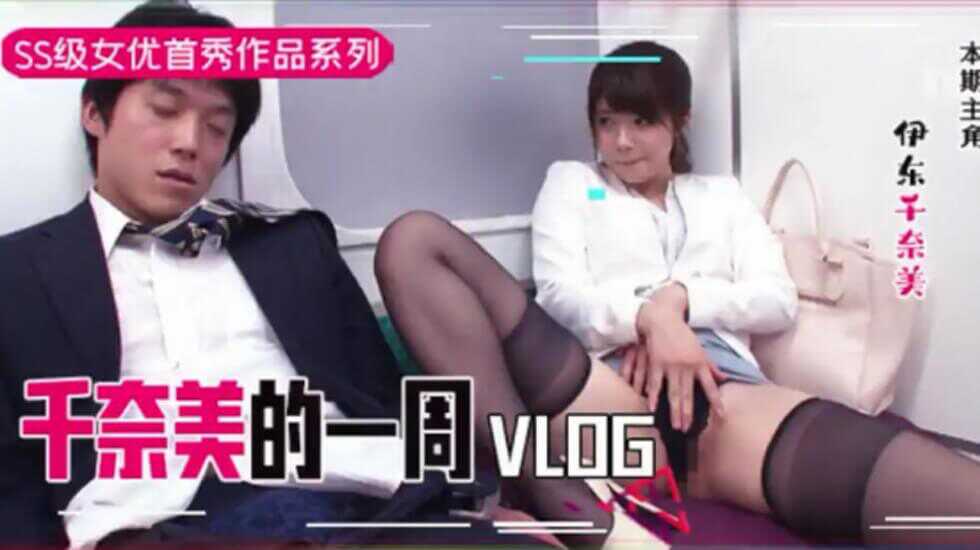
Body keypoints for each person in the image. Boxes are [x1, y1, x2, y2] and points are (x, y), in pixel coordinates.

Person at [374, 40, 980, 547]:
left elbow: (776, 299)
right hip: (602, 389)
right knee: (413, 241)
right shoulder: (574, 184)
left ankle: (558, 486)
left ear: (679, 120)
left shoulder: (723, 196)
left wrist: (678, 303)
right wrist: (644, 319)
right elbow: (561, 298)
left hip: (720, 398)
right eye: (606, 122)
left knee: (942, 493)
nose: (621, 141)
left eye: (641, 122)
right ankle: (549, 487)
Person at [0, 2, 551, 548]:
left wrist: (474, 503)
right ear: (95, 114)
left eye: (216, 128)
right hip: (160, 526)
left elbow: (379, 398)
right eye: (164, 109)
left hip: (362, 503)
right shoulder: (20, 271)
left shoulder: (291, 245)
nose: (190, 142)